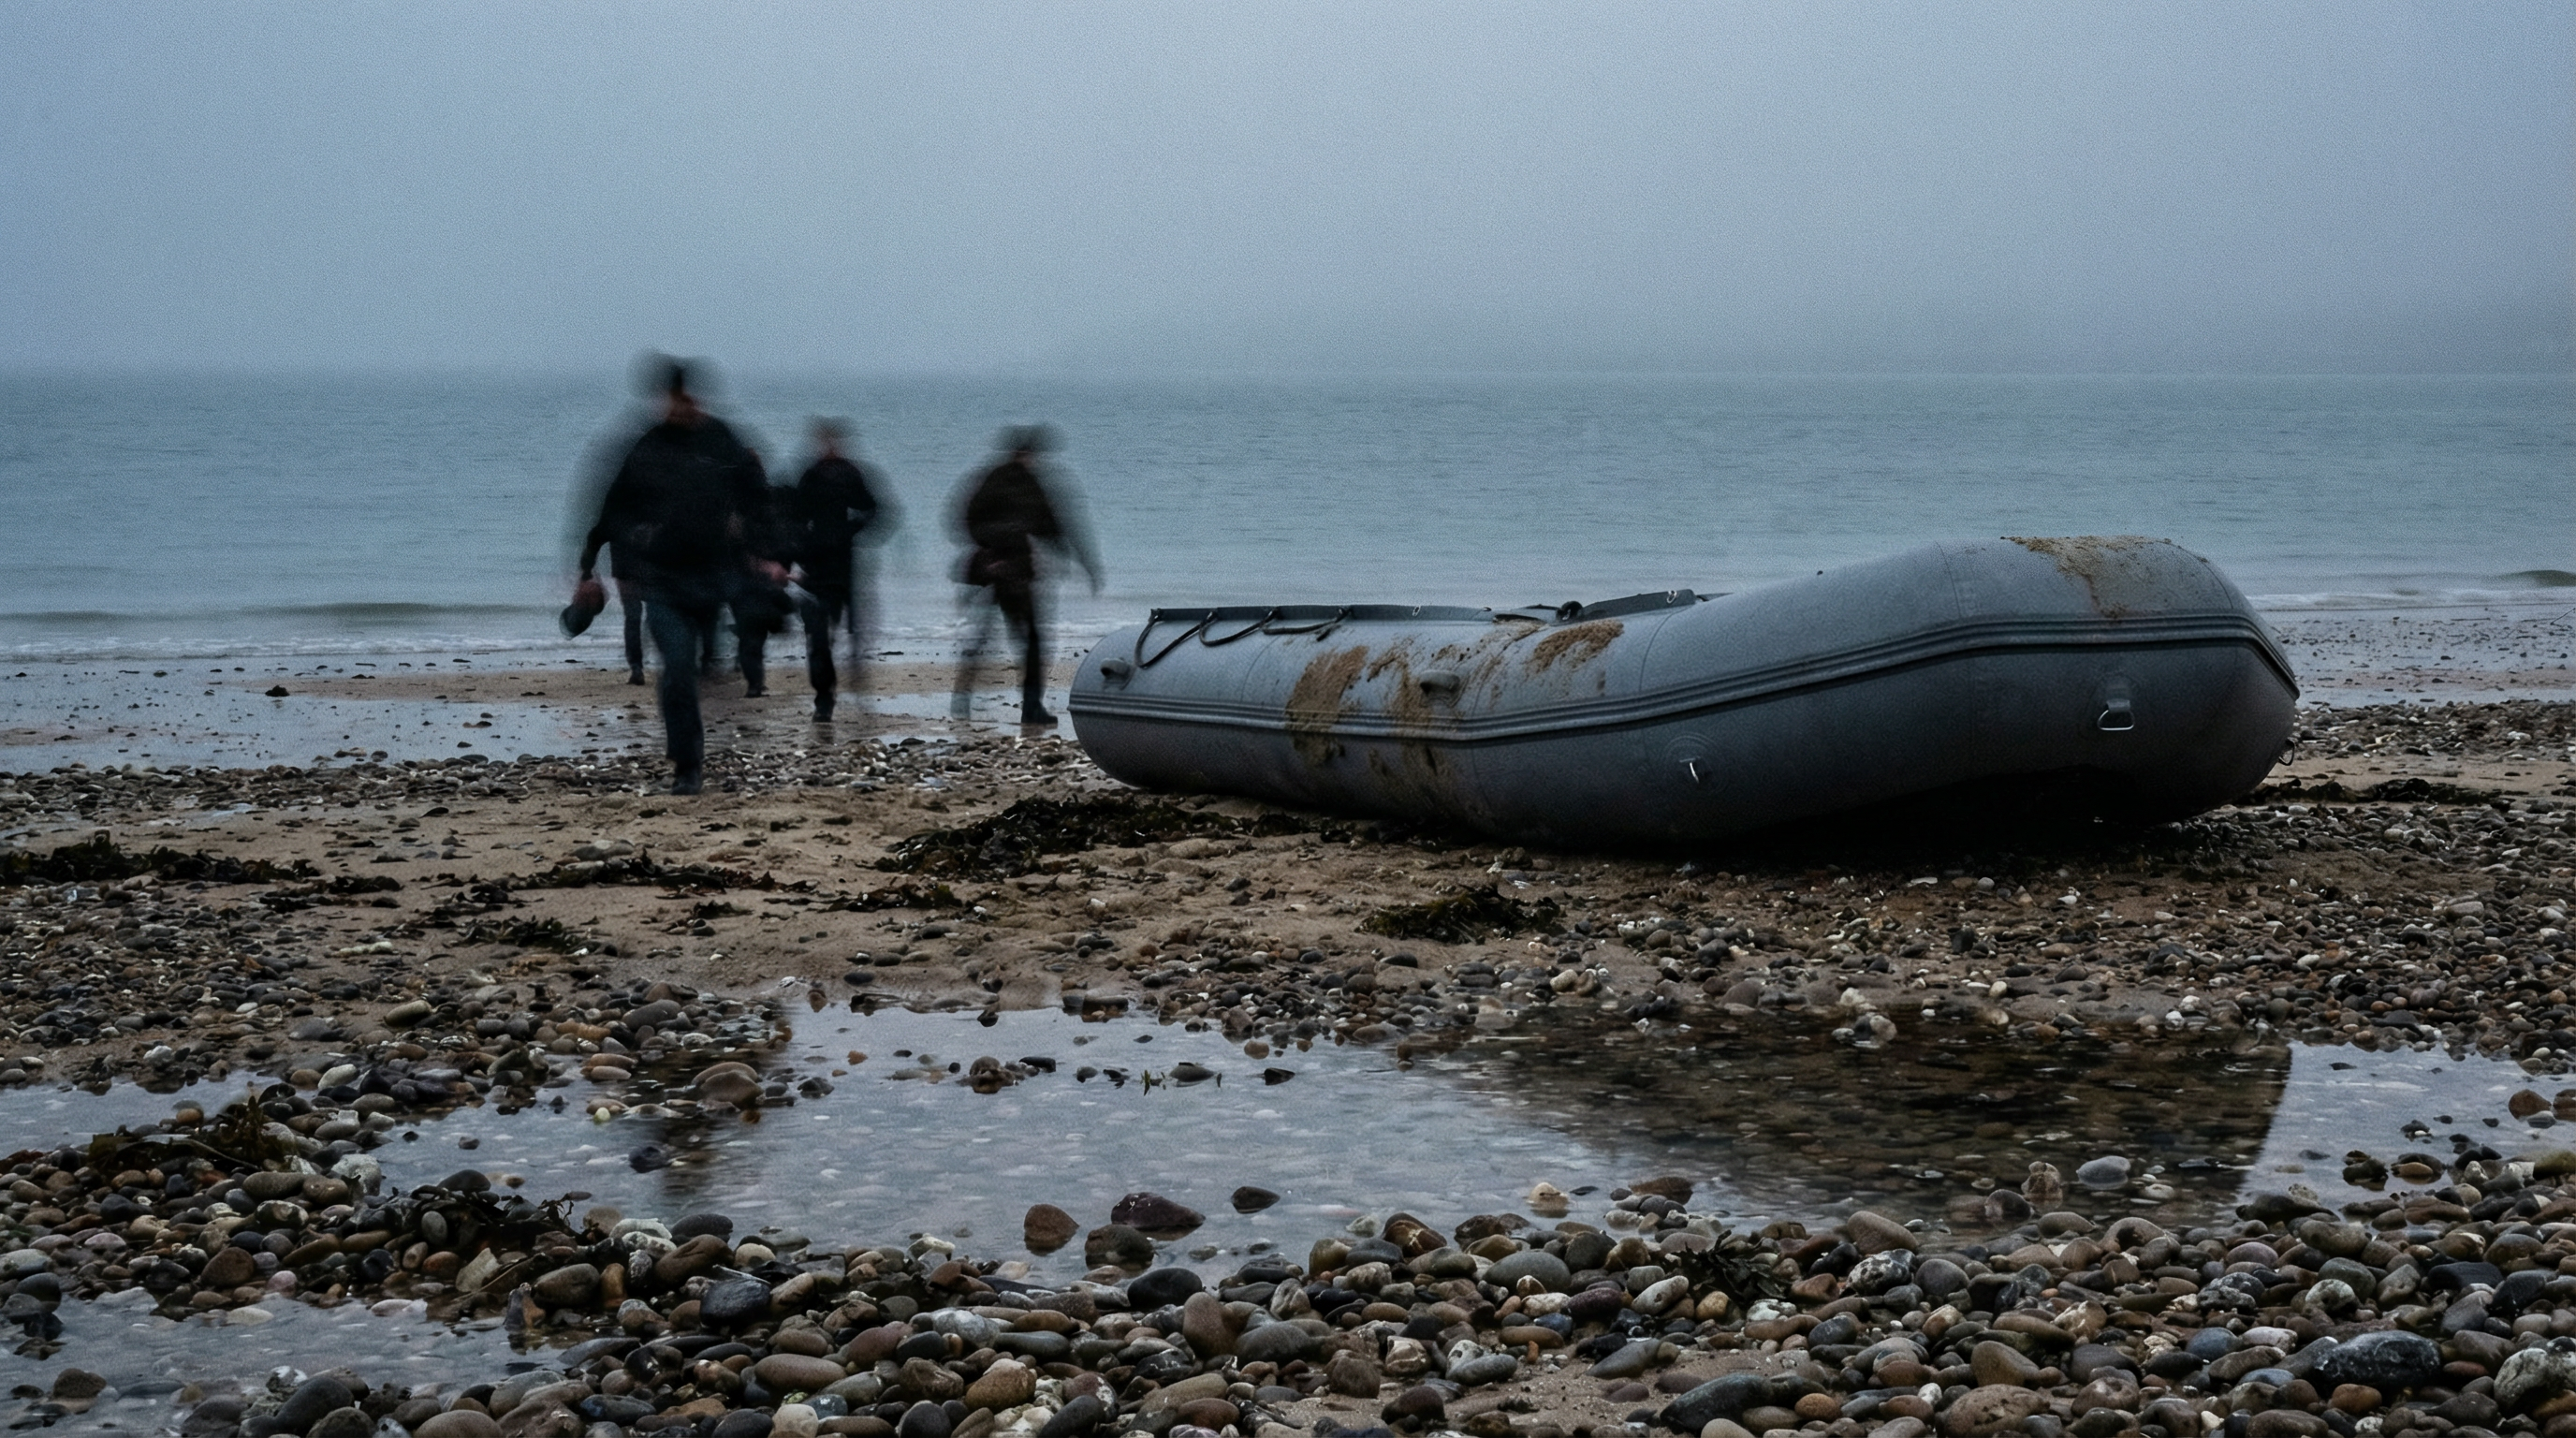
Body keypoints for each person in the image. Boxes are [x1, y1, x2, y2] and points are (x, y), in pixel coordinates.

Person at [577, 358, 773, 795]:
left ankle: (694, 736)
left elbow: (759, 495)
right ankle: (688, 764)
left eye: (685, 398)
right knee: (678, 667)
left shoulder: (721, 440)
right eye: (670, 399)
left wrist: (764, 551)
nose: (679, 407)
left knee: (706, 665)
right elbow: (609, 510)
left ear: (695, 398)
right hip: (661, 580)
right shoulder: (645, 446)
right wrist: (588, 567)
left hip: (712, 578)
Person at [951, 425, 1100, 726]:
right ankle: (1028, 708)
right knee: (1027, 641)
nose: (1034, 459)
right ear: (1024, 453)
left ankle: (967, 700)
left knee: (996, 638)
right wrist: (1084, 563)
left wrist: (1080, 560)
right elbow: (1056, 527)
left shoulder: (996, 479)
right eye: (1032, 454)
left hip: (1003, 572)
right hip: (1007, 573)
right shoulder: (1017, 482)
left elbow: (1054, 526)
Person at [782, 419, 886, 721]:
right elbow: (794, 516)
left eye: (832, 442)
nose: (827, 447)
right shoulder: (810, 475)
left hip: (845, 562)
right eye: (823, 442)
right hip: (815, 564)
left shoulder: (850, 473)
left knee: (851, 625)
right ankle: (824, 699)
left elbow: (875, 508)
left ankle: (855, 668)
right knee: (819, 633)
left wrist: (853, 530)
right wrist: (796, 549)